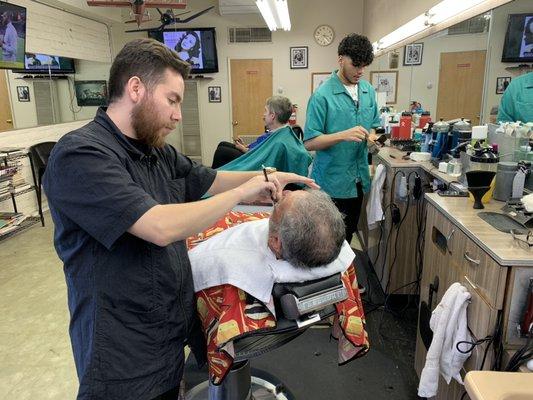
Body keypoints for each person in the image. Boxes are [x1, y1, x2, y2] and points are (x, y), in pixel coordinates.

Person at [42, 38, 317, 400]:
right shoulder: (81, 155)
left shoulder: (156, 152)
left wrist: (269, 177)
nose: (177, 115)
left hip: (165, 331)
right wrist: (242, 193)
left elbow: (210, 179)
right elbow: (158, 226)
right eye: (172, 100)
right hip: (121, 352)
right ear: (136, 88)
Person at [189, 190, 353, 301]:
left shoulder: (219, 256)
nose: (284, 192)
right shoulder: (328, 242)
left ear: (275, 243)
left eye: (279, 204)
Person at [304, 33, 380, 247]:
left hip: (358, 180)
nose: (360, 71)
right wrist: (343, 135)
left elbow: (373, 124)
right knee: (327, 243)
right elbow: (309, 142)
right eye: (356, 65)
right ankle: (330, 280)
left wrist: (371, 136)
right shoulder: (322, 96)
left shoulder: (368, 91)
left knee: (347, 237)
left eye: (364, 66)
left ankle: (345, 279)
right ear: (340, 59)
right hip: (331, 183)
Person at [218, 96, 312, 177]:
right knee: (223, 144)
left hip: (257, 161)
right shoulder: (280, 132)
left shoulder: (279, 142)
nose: (263, 114)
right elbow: (262, 149)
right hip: (255, 155)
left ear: (272, 116)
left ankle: (213, 183)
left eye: (265, 111)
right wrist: (247, 146)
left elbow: (264, 159)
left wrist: (244, 149)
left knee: (222, 152)